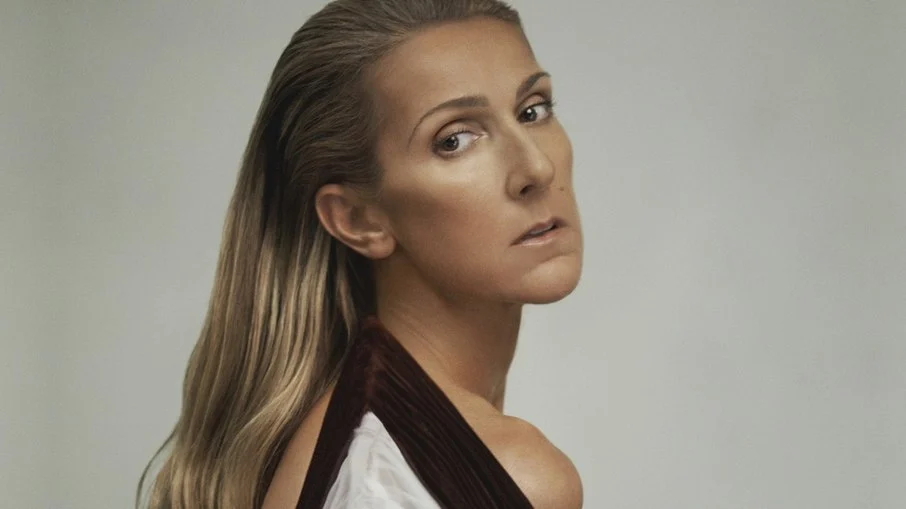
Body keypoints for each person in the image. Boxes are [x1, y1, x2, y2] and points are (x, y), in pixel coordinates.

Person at [138, 0, 584, 507]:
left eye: (533, 111)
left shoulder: (349, 442)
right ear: (357, 218)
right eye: (455, 139)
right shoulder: (507, 472)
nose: (537, 168)